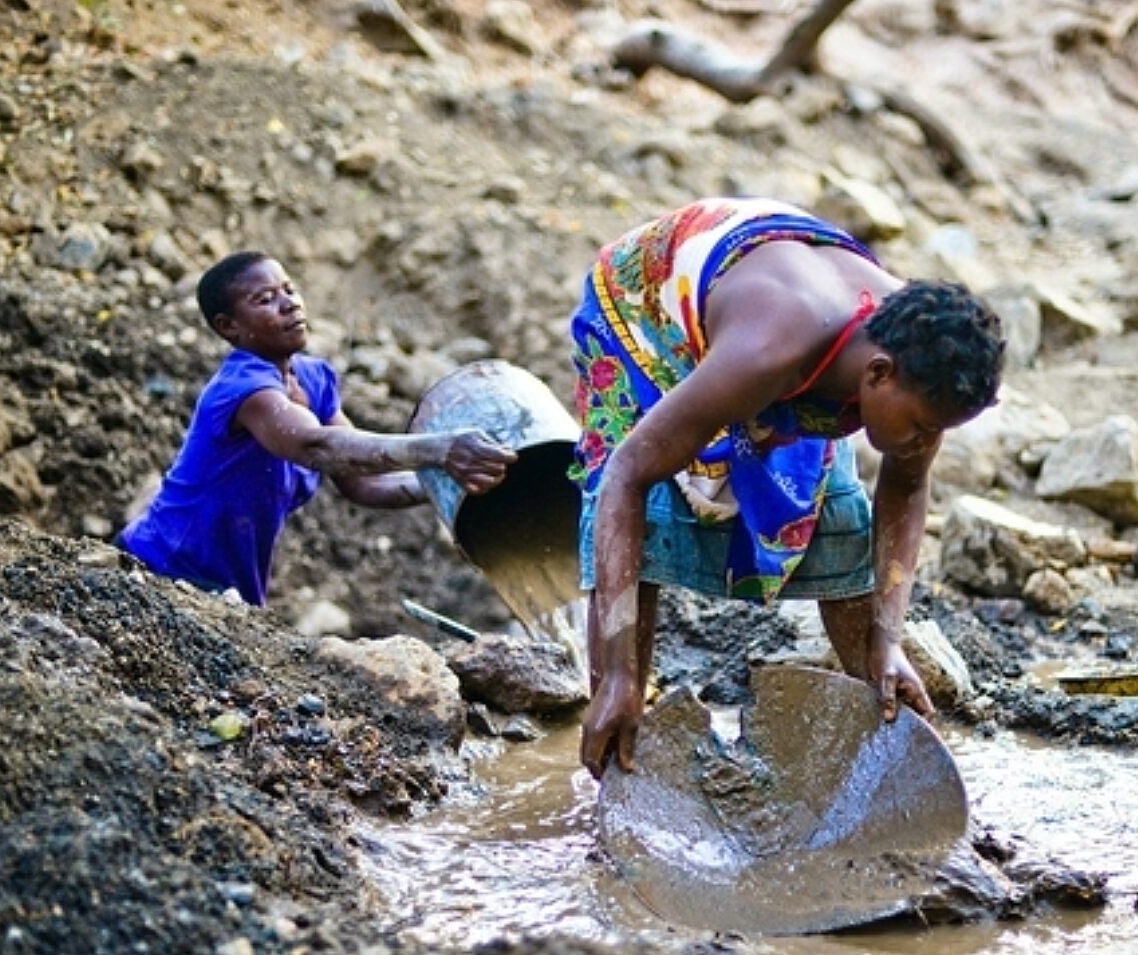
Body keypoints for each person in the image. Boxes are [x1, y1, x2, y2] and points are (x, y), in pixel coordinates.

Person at [569, 197, 1005, 780]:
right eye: (924, 427)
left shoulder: (920, 360)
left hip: (790, 315)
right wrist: (621, 675)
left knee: (837, 520)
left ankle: (877, 743)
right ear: (876, 374)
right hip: (650, 305)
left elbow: (906, 487)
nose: (926, 442)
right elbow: (626, 475)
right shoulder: (768, 352)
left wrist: (888, 640)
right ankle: (618, 743)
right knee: (652, 508)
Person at [118, 251, 516, 606]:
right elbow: (318, 446)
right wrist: (441, 450)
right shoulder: (243, 389)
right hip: (160, 570)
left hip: (224, 591)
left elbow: (364, 482)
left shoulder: (314, 379)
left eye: (289, 289)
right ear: (229, 327)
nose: (289, 303)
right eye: (265, 299)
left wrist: (450, 486)